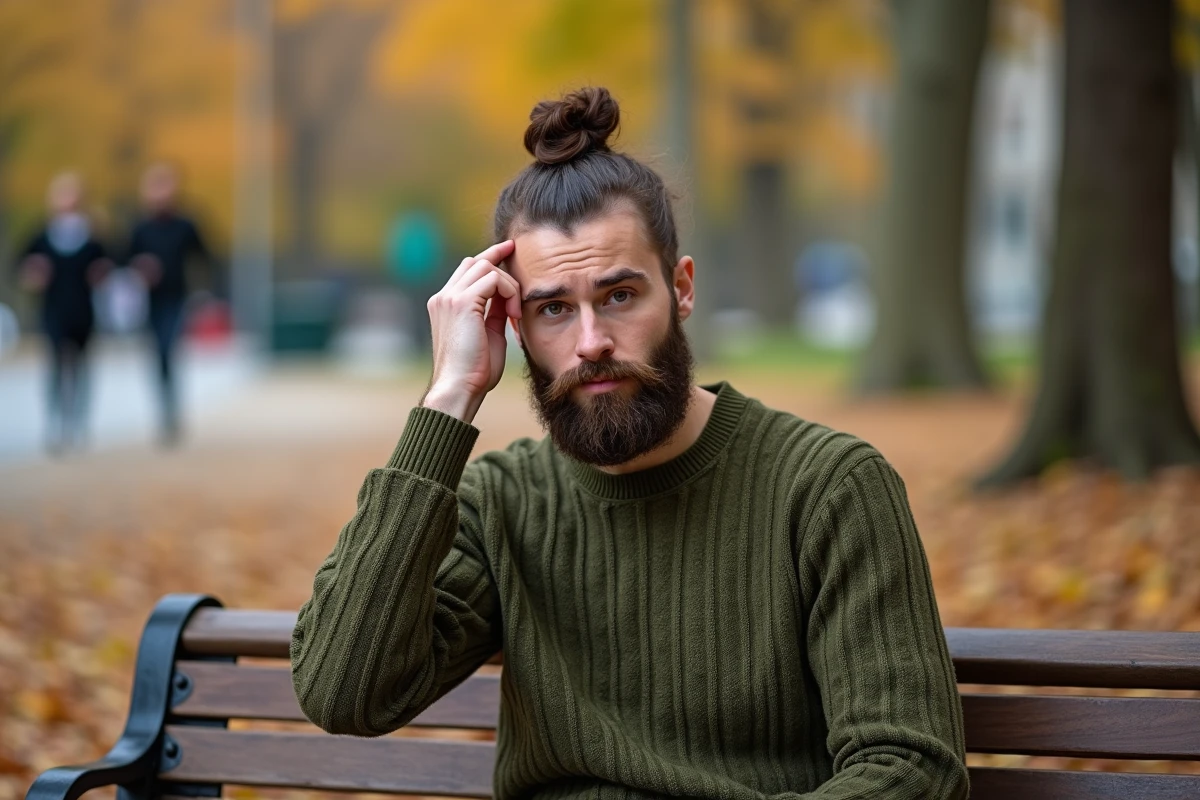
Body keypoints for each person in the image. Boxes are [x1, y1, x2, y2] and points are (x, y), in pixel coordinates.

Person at [291, 88, 968, 800]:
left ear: (680, 289)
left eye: (619, 296)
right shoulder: (503, 505)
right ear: (513, 324)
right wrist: (448, 400)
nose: (591, 344)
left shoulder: (828, 487)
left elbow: (909, 769)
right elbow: (344, 692)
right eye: (553, 308)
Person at [15, 172, 111, 455]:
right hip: (53, 309)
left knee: (81, 368)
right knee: (55, 366)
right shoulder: (42, 235)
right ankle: (56, 422)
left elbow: (109, 264)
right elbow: (21, 266)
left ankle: (79, 423)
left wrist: (102, 274)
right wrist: (32, 273)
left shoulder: (93, 237)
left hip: (83, 310)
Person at [126, 162, 217, 445]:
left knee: (169, 347)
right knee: (158, 357)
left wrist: (206, 293)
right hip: (148, 301)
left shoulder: (185, 225)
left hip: (177, 298)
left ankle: (171, 412)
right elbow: (123, 258)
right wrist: (139, 268)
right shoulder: (140, 228)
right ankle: (166, 411)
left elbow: (205, 256)